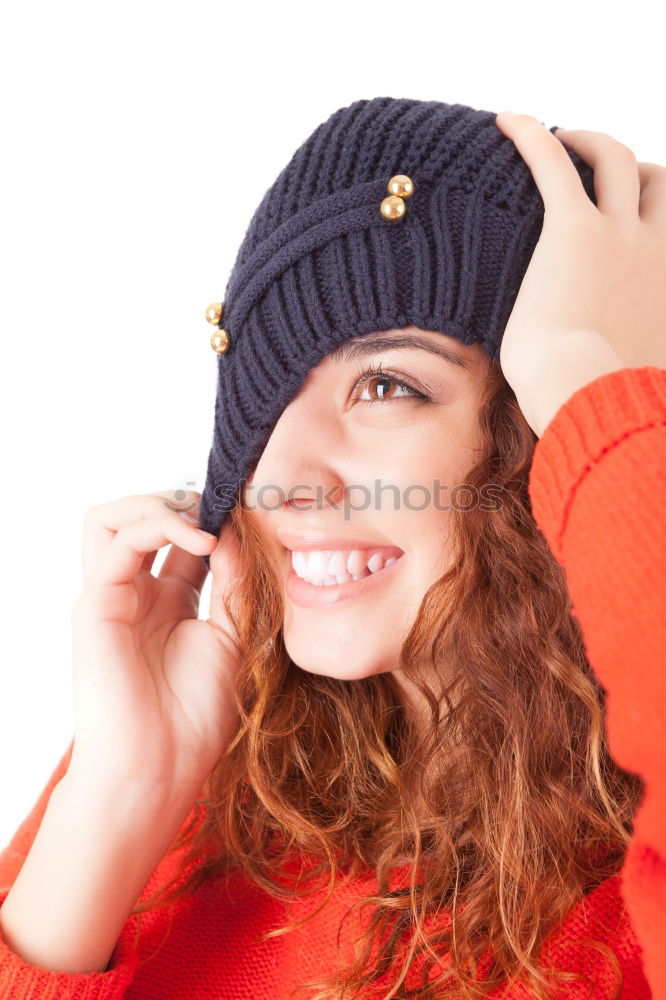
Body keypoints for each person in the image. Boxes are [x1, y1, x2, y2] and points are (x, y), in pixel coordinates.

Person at [0, 98, 664, 1000]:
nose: (280, 475)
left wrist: (601, 381)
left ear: (537, 427)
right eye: (264, 396)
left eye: (386, 384)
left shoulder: (627, 905)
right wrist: (118, 800)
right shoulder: (190, 778)